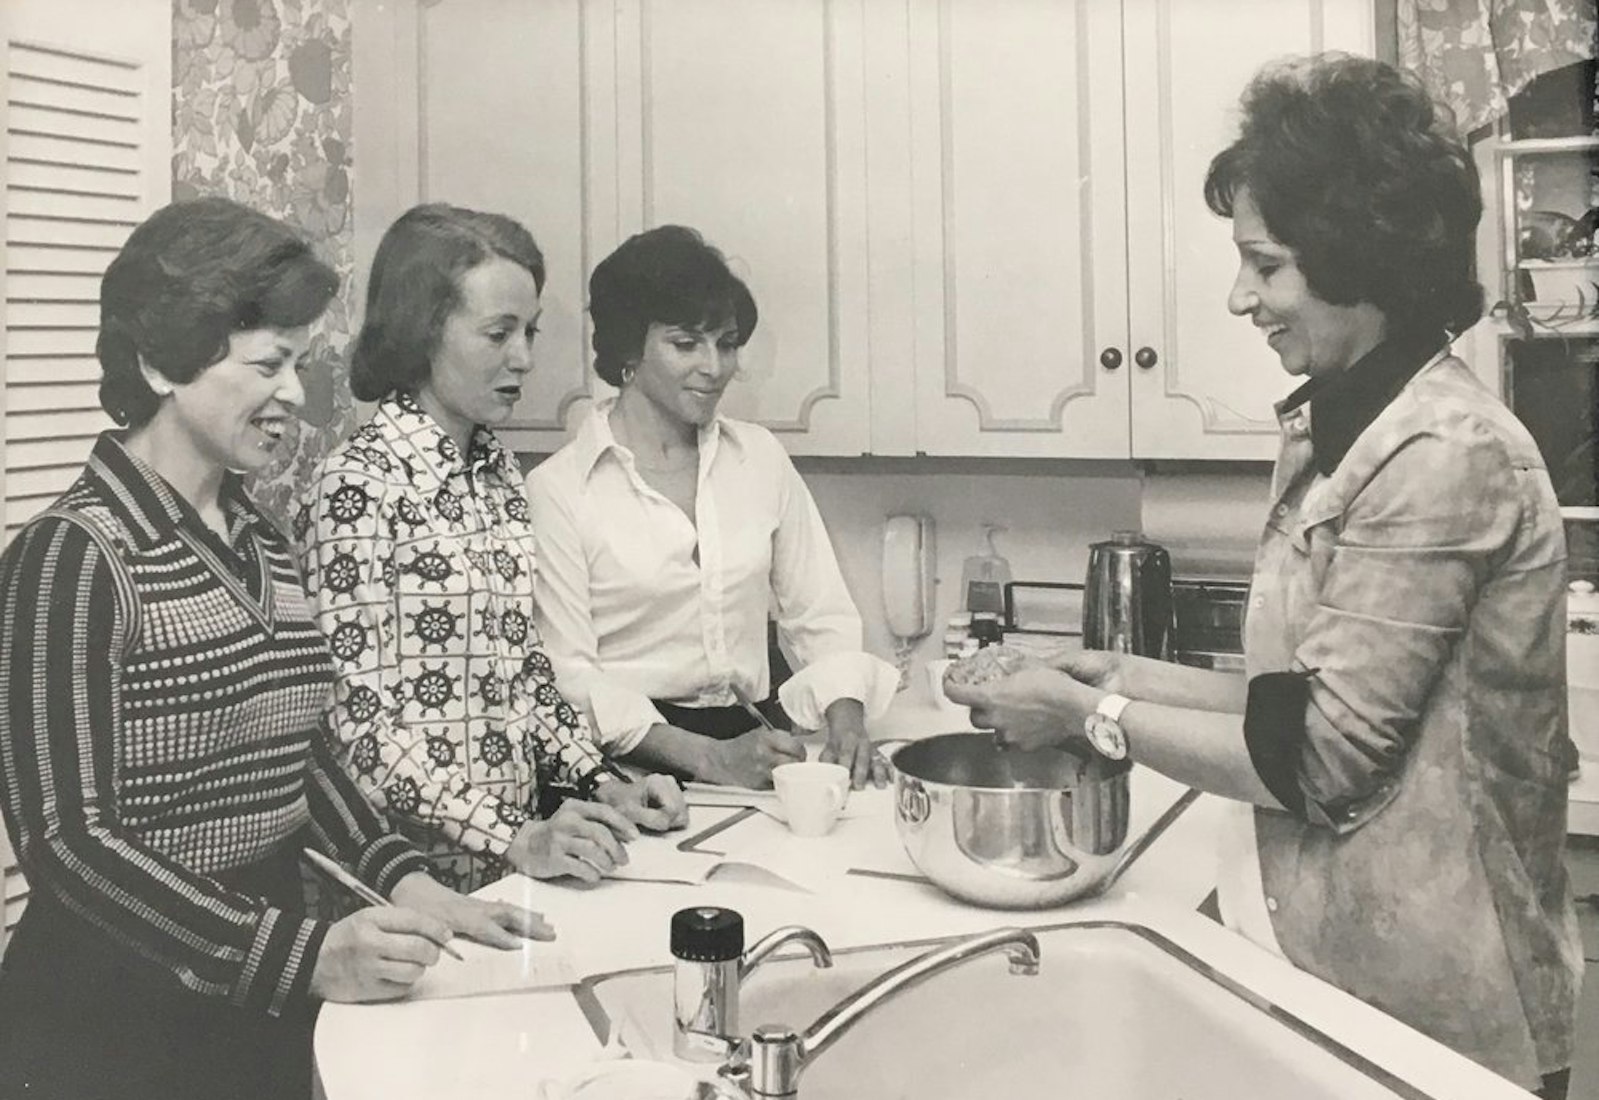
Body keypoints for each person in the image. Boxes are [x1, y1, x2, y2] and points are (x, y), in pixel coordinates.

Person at [945, 56, 1579, 1099]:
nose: (1242, 297)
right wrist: (1115, 671)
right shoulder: (1351, 425)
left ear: (1358, 265)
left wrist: (1079, 710)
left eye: (1267, 266)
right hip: (1343, 971)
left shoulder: (1441, 454)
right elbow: (1296, 707)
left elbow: (1324, 764)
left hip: (1440, 1010)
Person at [0, 198, 548, 1100]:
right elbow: (70, 842)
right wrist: (301, 952)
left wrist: (401, 878)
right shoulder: (74, 556)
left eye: (297, 362)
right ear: (157, 363)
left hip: (259, 993)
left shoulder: (255, 536)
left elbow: (302, 750)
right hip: (112, 1020)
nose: (295, 393)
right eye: (268, 364)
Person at [297, 204, 686, 896]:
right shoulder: (357, 486)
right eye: (498, 333)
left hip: (510, 869)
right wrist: (512, 834)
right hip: (403, 880)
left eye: (528, 332)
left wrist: (602, 782)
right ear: (423, 332)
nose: (525, 358)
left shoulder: (498, 472)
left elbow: (526, 678)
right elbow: (355, 728)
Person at [525, 225, 897, 790]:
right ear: (630, 346)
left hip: (753, 746)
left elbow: (820, 615)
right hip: (626, 768)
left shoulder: (760, 458)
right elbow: (569, 678)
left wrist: (847, 719)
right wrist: (705, 759)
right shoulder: (559, 489)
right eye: (685, 344)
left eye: (725, 343)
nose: (714, 366)